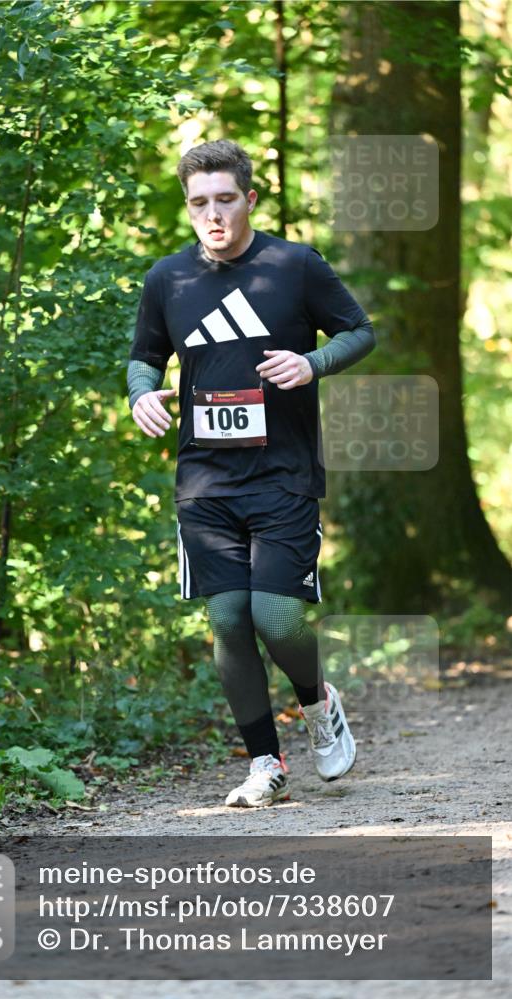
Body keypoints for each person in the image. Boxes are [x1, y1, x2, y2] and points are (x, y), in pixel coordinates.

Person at [127, 139, 375, 807]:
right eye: (199, 203)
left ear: (249, 199)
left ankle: (318, 703)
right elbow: (144, 357)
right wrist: (140, 394)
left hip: (283, 473)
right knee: (229, 620)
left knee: (275, 616)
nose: (213, 215)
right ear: (187, 207)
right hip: (204, 479)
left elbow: (358, 331)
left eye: (225, 200)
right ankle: (264, 763)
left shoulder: (293, 265)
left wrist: (311, 364)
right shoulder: (167, 279)